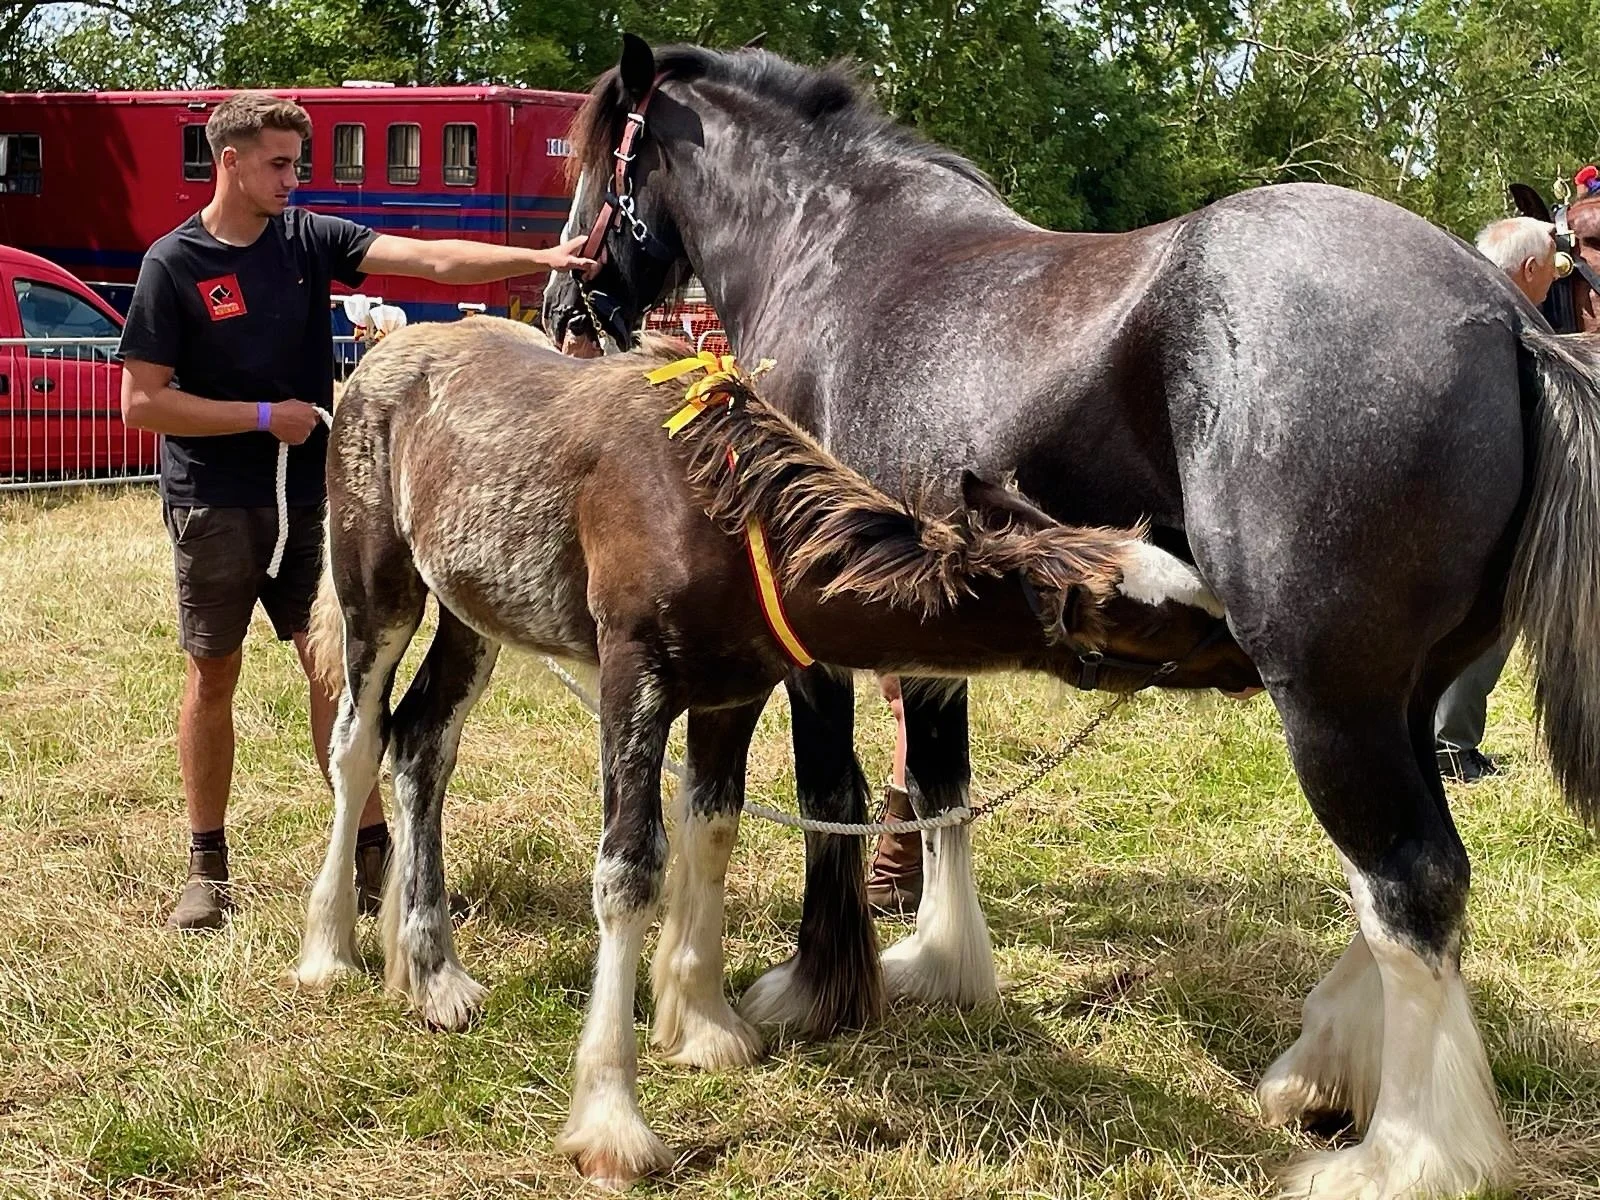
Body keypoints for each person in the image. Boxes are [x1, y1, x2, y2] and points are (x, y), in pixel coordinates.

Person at [119, 92, 595, 930]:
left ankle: (372, 850)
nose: (291, 179)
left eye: (296, 164)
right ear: (230, 161)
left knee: (335, 669)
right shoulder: (174, 264)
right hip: (215, 502)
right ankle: (207, 864)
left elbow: (431, 259)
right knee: (213, 673)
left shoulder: (307, 238)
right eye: (278, 164)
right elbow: (142, 403)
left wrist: (542, 256)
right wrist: (262, 418)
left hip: (311, 497)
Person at [1432, 216, 1562, 783]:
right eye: (1551, 271)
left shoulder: (1448, 303)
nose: (1554, 285)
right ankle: (1451, 744)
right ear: (1529, 268)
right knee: (1491, 616)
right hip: (1486, 501)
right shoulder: (1509, 322)